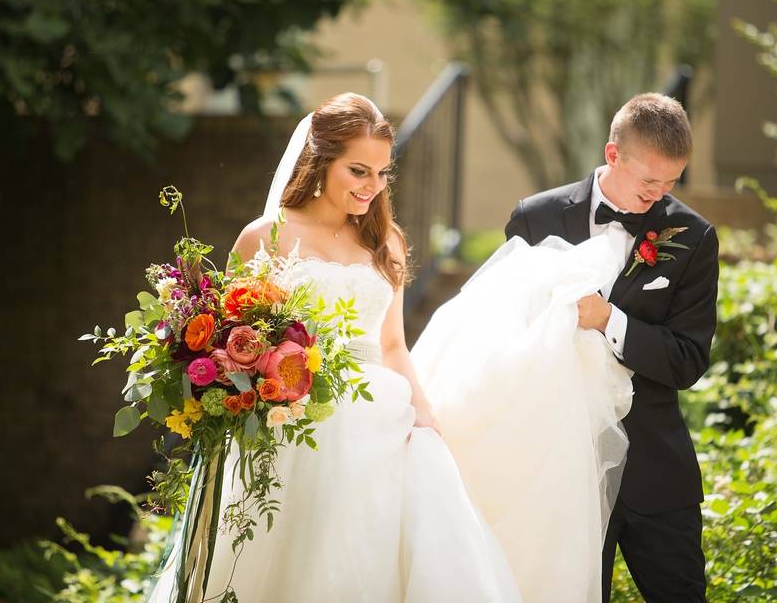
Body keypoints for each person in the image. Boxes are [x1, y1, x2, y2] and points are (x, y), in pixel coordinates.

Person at [149, 92, 634, 602]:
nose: (372, 187)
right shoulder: (264, 238)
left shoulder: (386, 242)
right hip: (289, 427)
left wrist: (424, 415)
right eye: (358, 171)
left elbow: (393, 345)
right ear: (320, 161)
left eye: (382, 174)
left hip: (377, 415)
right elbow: (229, 338)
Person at [505, 92, 719, 603]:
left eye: (670, 183)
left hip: (653, 471)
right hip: (557, 468)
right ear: (613, 154)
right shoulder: (535, 219)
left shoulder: (692, 237)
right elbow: (504, 329)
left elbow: (688, 359)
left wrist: (610, 321)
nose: (658, 195)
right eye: (649, 181)